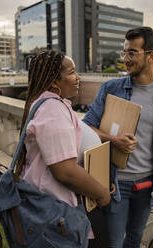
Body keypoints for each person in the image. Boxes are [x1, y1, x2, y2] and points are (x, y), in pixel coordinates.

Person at [83, 26, 153, 248]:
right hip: (115, 183)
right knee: (115, 243)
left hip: (148, 184)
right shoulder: (111, 88)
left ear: (151, 56)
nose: (125, 59)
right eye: (124, 52)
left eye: (132, 53)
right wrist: (114, 139)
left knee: (135, 238)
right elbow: (87, 126)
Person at [15, 50, 111, 244]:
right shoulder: (52, 110)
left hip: (54, 206)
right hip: (56, 211)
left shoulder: (49, 104)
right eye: (72, 72)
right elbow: (65, 171)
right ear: (53, 81)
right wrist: (101, 192)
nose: (78, 77)